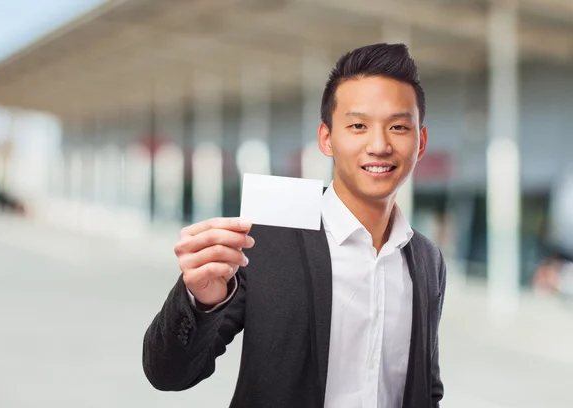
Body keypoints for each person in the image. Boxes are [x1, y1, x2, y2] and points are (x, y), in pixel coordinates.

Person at [142, 43, 447, 408]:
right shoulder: (266, 240)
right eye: (358, 126)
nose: (379, 145)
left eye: (398, 126)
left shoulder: (428, 261)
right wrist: (201, 301)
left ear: (421, 142)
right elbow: (168, 373)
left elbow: (425, 389)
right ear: (326, 139)